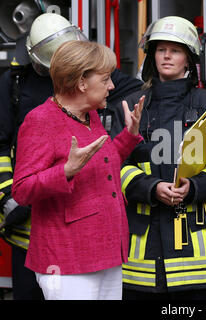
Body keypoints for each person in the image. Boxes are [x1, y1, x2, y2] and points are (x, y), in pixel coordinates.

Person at [0, 12, 143, 300]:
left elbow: (98, 164)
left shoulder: (89, 115)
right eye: (105, 79)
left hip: (105, 252)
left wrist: (127, 137)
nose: (113, 86)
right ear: (81, 83)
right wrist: (64, 171)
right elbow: (23, 189)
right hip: (68, 259)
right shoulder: (40, 120)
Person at [118, 16, 206, 299]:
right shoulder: (134, 106)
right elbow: (116, 166)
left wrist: (194, 187)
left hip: (196, 259)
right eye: (161, 49)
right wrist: (151, 188)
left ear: (189, 59)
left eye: (175, 50)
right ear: (152, 56)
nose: (167, 56)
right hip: (141, 261)